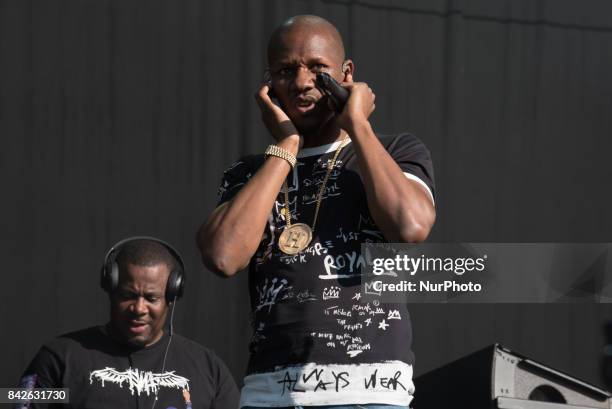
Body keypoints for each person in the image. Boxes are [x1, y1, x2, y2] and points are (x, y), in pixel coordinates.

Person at [198, 15, 435, 408]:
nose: (303, 82)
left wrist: (357, 123)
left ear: (347, 74)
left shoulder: (394, 152)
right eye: (286, 71)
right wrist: (287, 147)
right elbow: (222, 256)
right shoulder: (250, 172)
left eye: (317, 68)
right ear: (269, 82)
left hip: (369, 391)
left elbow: (410, 227)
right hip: (269, 392)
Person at [16, 237, 239, 409]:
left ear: (172, 297)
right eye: (128, 295)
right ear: (110, 289)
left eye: (151, 298)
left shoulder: (208, 368)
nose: (139, 309)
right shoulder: (59, 357)